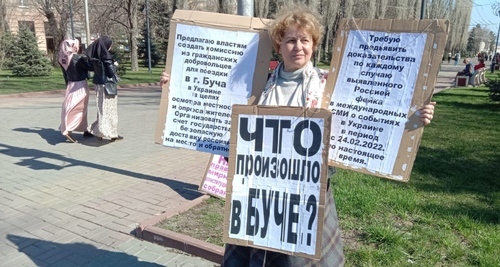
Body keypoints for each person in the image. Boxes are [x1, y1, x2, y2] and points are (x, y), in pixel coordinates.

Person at [161, 5, 436, 266]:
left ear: (314, 44)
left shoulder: (331, 84)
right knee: (256, 252)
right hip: (260, 186)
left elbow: (371, 114)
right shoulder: (257, 82)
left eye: (305, 40)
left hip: (308, 188)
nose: (298, 47)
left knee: (298, 259)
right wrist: (174, 86)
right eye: (290, 40)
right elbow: (213, 103)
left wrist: (414, 116)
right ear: (279, 45)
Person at [85, 36, 123, 141]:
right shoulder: (107, 57)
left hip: (98, 84)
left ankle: (99, 132)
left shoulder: (94, 57)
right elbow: (111, 73)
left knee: (101, 109)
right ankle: (111, 133)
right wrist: (115, 65)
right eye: (110, 44)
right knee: (110, 110)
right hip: (108, 86)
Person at [58, 38, 94, 143]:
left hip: (70, 84)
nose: (77, 48)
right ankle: (67, 129)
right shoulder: (77, 58)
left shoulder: (62, 58)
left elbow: (65, 74)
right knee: (79, 108)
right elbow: (91, 67)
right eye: (76, 45)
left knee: (70, 106)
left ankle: (84, 128)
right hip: (80, 85)